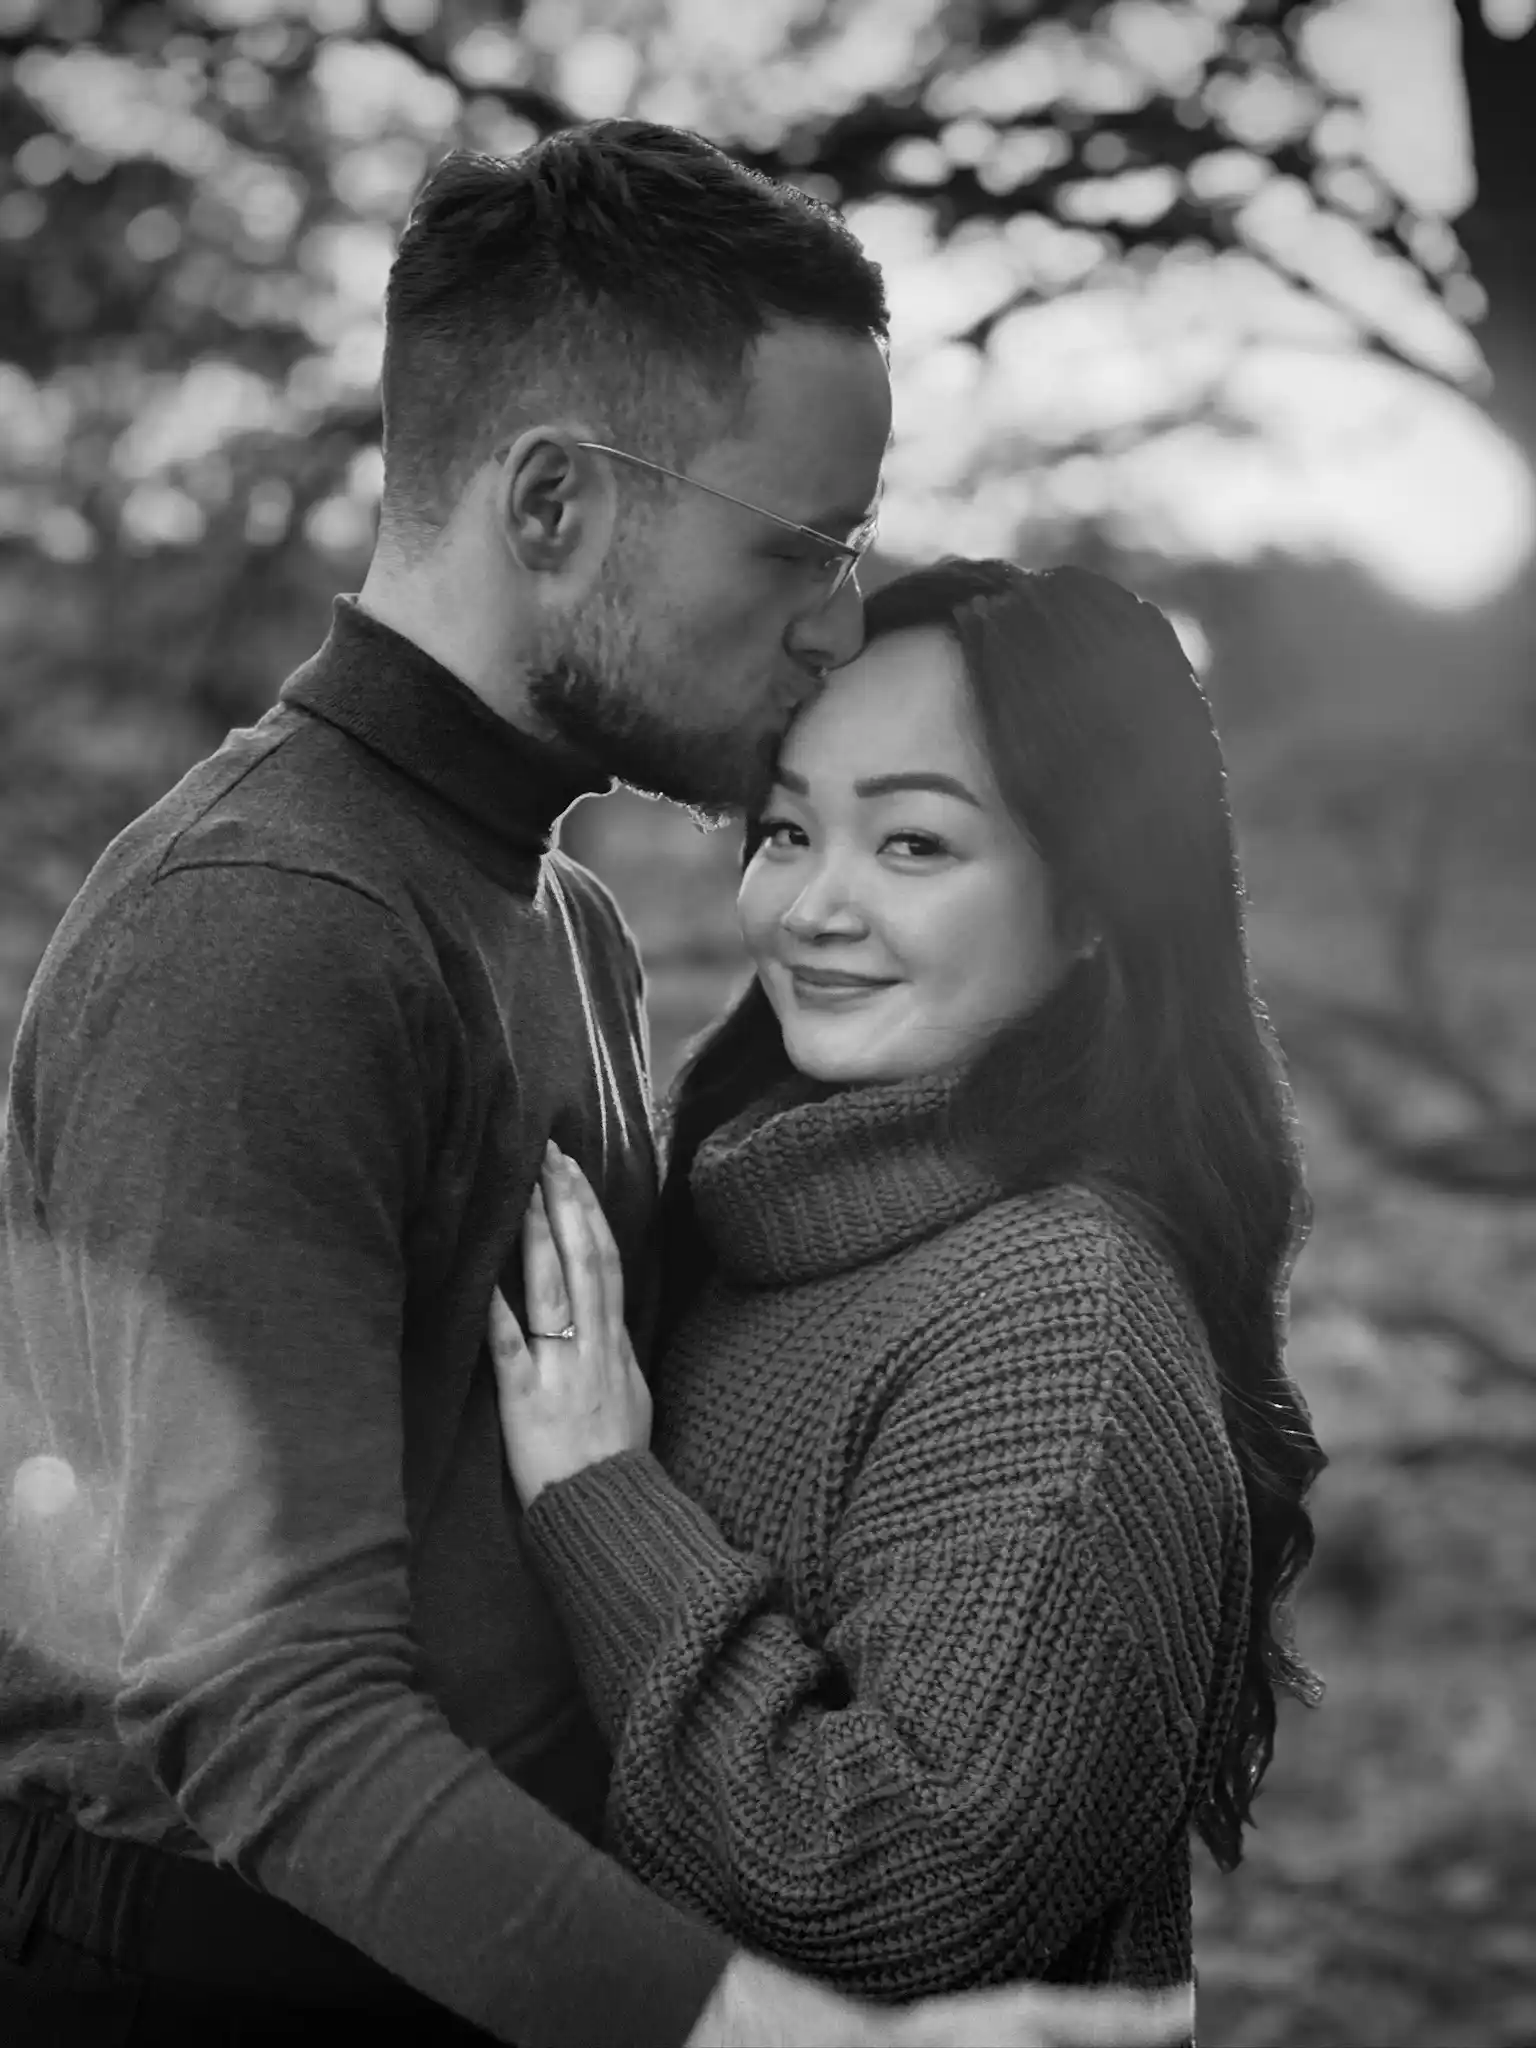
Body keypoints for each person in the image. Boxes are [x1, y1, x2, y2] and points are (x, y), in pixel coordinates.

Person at [0, 122, 1196, 2048]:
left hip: (483, 1957)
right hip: (222, 1973)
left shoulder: (555, 910)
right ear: (552, 502)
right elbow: (265, 1707)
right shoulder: (268, 930)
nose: (835, 622)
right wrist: (805, 2042)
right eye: (796, 546)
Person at [489, 558, 1328, 2004]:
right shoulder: (762, 1216)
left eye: (915, 844)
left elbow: (908, 1886)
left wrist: (600, 1500)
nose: (813, 906)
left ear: (1096, 902)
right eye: (786, 829)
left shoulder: (1056, 1322)